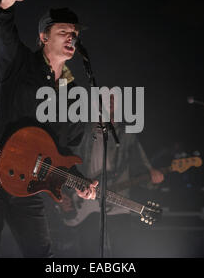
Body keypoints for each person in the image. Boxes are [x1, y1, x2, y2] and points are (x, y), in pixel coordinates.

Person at [0, 0, 97, 258]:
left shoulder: (73, 95)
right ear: (44, 37)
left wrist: (79, 181)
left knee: (41, 252)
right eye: (63, 32)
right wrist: (6, 4)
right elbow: (2, 33)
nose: (71, 37)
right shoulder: (19, 63)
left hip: (28, 181)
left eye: (74, 33)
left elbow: (64, 150)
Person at [58, 95, 164, 257]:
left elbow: (142, 169)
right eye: (105, 98)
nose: (110, 101)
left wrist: (153, 178)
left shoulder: (127, 136)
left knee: (123, 254)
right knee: (89, 253)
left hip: (119, 205)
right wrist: (63, 195)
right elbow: (67, 165)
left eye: (113, 99)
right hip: (85, 203)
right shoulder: (83, 133)